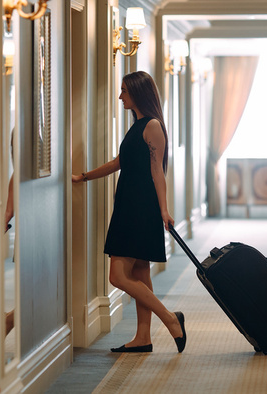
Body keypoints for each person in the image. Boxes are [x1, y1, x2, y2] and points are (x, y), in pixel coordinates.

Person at [72, 71, 187, 353]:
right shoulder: (136, 126)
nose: (120, 95)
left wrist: (164, 210)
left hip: (140, 206)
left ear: (137, 92)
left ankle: (170, 319)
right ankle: (143, 337)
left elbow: (157, 171)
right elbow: (119, 162)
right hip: (128, 203)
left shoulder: (153, 126)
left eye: (124, 90)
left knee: (117, 277)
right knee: (140, 271)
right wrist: (84, 177)